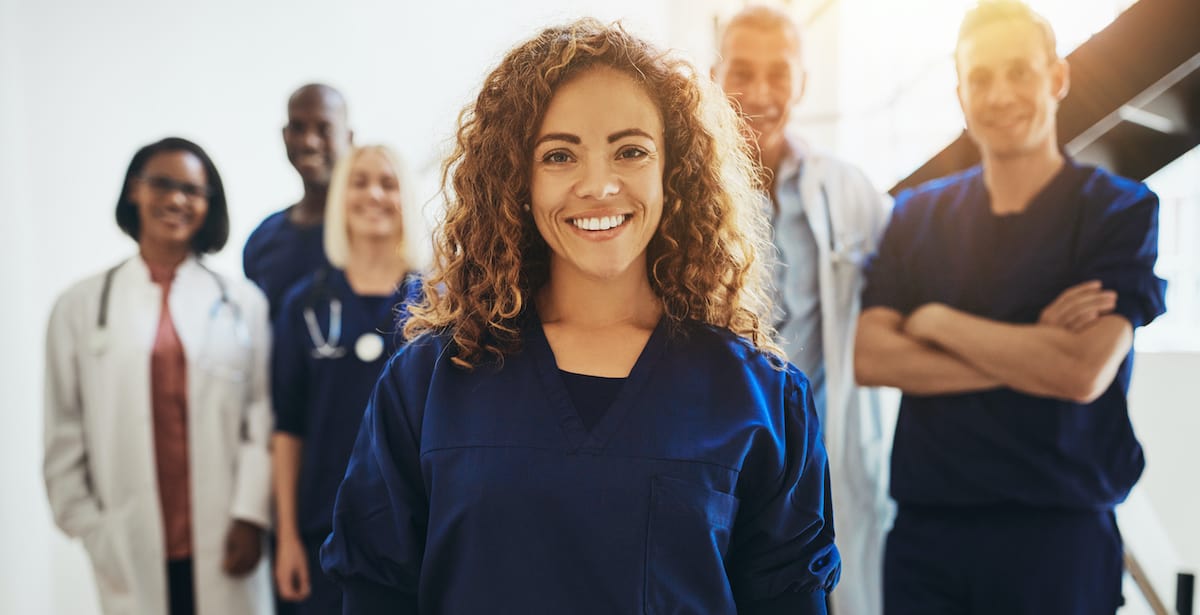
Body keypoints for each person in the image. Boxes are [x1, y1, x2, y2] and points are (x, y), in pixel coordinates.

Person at [320, 18, 840, 614]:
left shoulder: (762, 401)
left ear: (673, 173)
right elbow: (376, 592)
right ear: (518, 179)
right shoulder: (428, 386)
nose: (599, 184)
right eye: (560, 155)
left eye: (631, 151)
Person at [853, 2, 1167, 613]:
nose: (999, 95)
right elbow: (870, 356)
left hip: (1059, 537)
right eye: (980, 78)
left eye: (1019, 72)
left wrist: (937, 323)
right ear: (960, 94)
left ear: (1056, 78)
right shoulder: (918, 216)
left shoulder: (1119, 211)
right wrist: (1035, 352)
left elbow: (1082, 372)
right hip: (928, 538)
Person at [711, 7, 894, 614]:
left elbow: (911, 287)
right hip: (720, 455)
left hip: (824, 461)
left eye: (778, 74)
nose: (761, 93)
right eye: (742, 71)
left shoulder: (848, 193)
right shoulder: (675, 193)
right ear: (714, 75)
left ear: (802, 83)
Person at [44, 137, 273, 615]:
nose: (175, 199)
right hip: (127, 543)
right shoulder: (80, 307)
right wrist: (91, 528)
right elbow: (63, 430)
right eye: (162, 184)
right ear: (134, 191)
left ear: (208, 205)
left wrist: (251, 516)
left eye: (192, 190)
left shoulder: (242, 303)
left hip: (227, 540)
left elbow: (261, 415)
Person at [270, 145, 421, 614]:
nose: (374, 194)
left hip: (413, 535)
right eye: (359, 182)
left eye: (388, 183)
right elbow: (287, 429)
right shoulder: (305, 304)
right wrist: (288, 537)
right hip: (320, 532)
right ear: (340, 198)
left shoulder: (437, 305)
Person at [244, 83, 354, 319]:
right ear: (285, 136)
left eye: (324, 129)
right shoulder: (262, 240)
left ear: (348, 138)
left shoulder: (373, 231)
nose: (309, 142)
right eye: (298, 127)